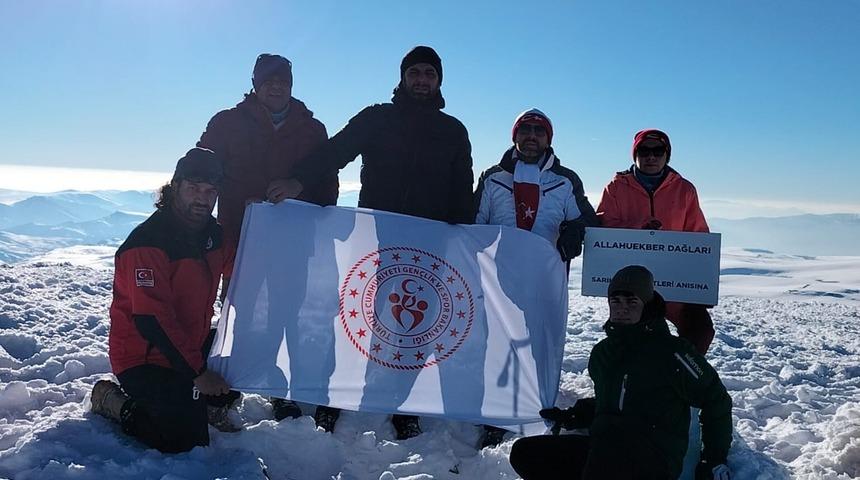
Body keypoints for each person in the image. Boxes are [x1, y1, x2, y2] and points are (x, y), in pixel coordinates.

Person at [279, 45, 475, 439]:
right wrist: (297, 181)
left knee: (414, 329)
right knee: (358, 320)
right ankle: (333, 399)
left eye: (429, 74)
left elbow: (462, 191)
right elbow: (334, 151)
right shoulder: (376, 119)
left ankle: (404, 404)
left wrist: (463, 237)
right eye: (415, 72)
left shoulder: (453, 131)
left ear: (438, 81)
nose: (422, 80)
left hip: (427, 247)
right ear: (403, 77)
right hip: (375, 240)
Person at [197, 53, 337, 424]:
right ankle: (229, 383)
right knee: (238, 309)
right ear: (256, 83)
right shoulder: (227, 123)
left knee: (285, 314)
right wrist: (243, 196)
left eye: (283, 80)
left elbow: (328, 187)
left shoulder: (311, 129)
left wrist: (297, 191)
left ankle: (279, 390)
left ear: (292, 85)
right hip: (240, 237)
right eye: (269, 80)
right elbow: (202, 169)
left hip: (293, 242)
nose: (276, 86)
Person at [509, 265, 733, 479]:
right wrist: (576, 415)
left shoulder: (673, 353)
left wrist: (714, 459)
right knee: (526, 452)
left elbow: (717, 400)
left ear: (647, 304)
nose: (622, 308)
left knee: (606, 460)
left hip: (652, 458)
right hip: (606, 449)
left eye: (631, 301)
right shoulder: (603, 353)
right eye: (615, 301)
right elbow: (616, 400)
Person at [90, 148, 234, 453]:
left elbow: (244, 270)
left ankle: (197, 400)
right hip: (144, 357)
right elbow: (152, 320)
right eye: (193, 189)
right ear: (175, 187)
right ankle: (115, 403)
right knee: (185, 439)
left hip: (189, 344)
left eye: (210, 191)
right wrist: (199, 374)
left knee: (234, 370)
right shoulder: (148, 243)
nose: (202, 198)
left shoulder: (214, 236)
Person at [473, 108, 598, 447]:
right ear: (514, 136)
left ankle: (538, 405)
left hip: (547, 280)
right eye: (525, 129)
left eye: (538, 131)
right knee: (500, 343)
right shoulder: (493, 177)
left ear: (548, 138)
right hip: (502, 280)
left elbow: (588, 219)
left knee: (542, 342)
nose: (531, 136)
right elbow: (474, 223)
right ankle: (496, 414)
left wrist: (575, 229)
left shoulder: (565, 180)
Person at [596, 129, 715, 354]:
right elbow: (603, 228)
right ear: (635, 154)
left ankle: (678, 378)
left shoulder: (684, 189)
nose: (651, 156)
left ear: (667, 155)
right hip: (632, 286)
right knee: (635, 334)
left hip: (676, 282)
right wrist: (637, 227)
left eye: (658, 151)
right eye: (644, 150)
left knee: (701, 330)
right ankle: (629, 381)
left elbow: (698, 235)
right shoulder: (616, 187)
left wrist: (701, 287)